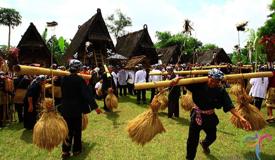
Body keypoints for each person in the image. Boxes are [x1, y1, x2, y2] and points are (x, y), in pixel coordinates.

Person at [185, 68, 251, 160]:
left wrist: (240, 117)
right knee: (192, 140)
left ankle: (204, 144)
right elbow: (183, 81)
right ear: (208, 77)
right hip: (197, 115)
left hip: (210, 116)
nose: (213, 83)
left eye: (216, 82)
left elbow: (229, 105)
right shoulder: (198, 84)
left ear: (220, 82)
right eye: (212, 81)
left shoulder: (220, 91)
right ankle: (189, 158)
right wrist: (177, 79)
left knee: (212, 136)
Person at [59, 59, 101, 159]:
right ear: (78, 68)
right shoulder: (79, 80)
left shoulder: (63, 79)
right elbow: (87, 95)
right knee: (77, 130)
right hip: (76, 110)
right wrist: (95, 107)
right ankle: (77, 149)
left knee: (67, 131)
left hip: (65, 109)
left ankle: (65, 151)